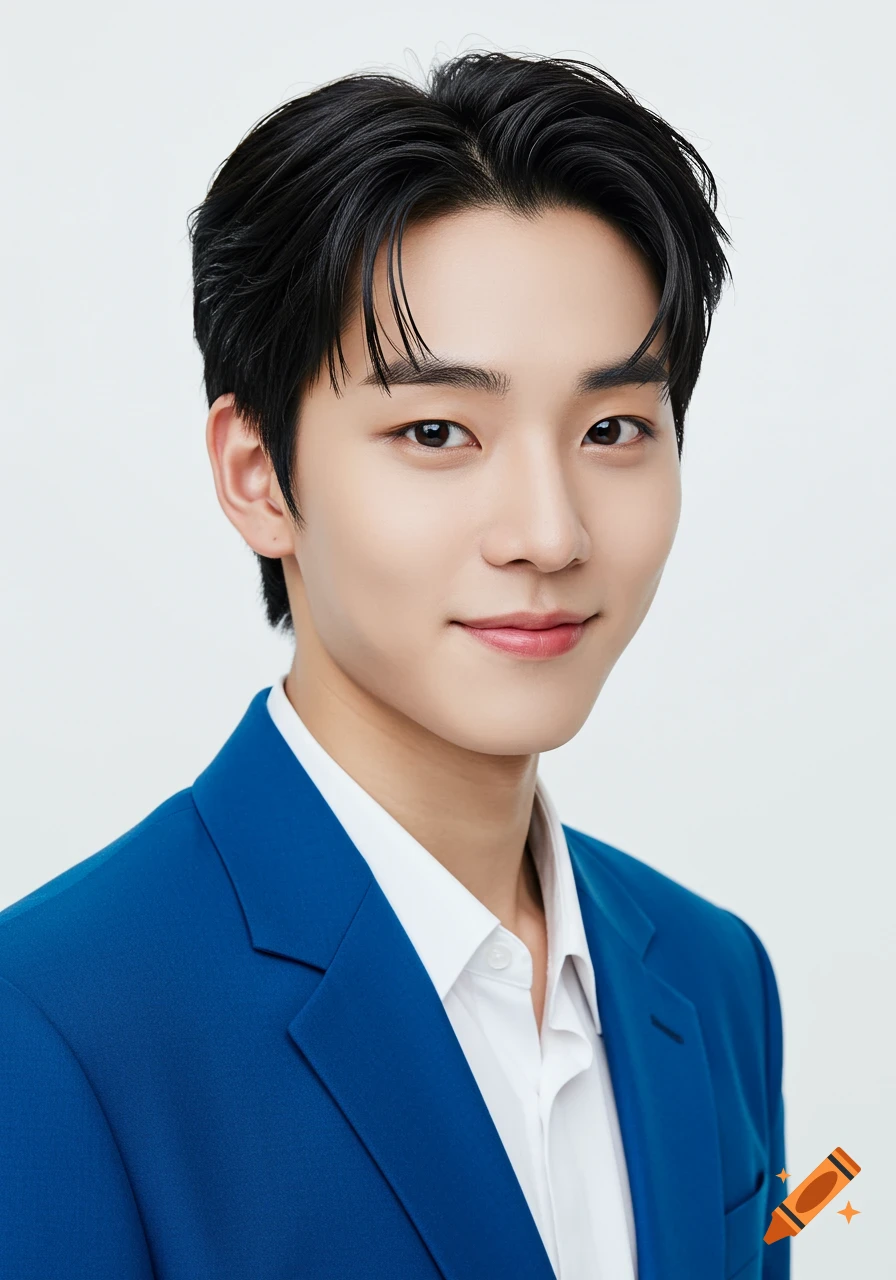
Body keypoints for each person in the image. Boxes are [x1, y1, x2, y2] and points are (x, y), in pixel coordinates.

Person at [0, 50, 787, 1280]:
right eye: (436, 431)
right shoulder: (52, 1024)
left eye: (612, 428)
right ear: (257, 473)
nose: (548, 531)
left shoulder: (712, 972)